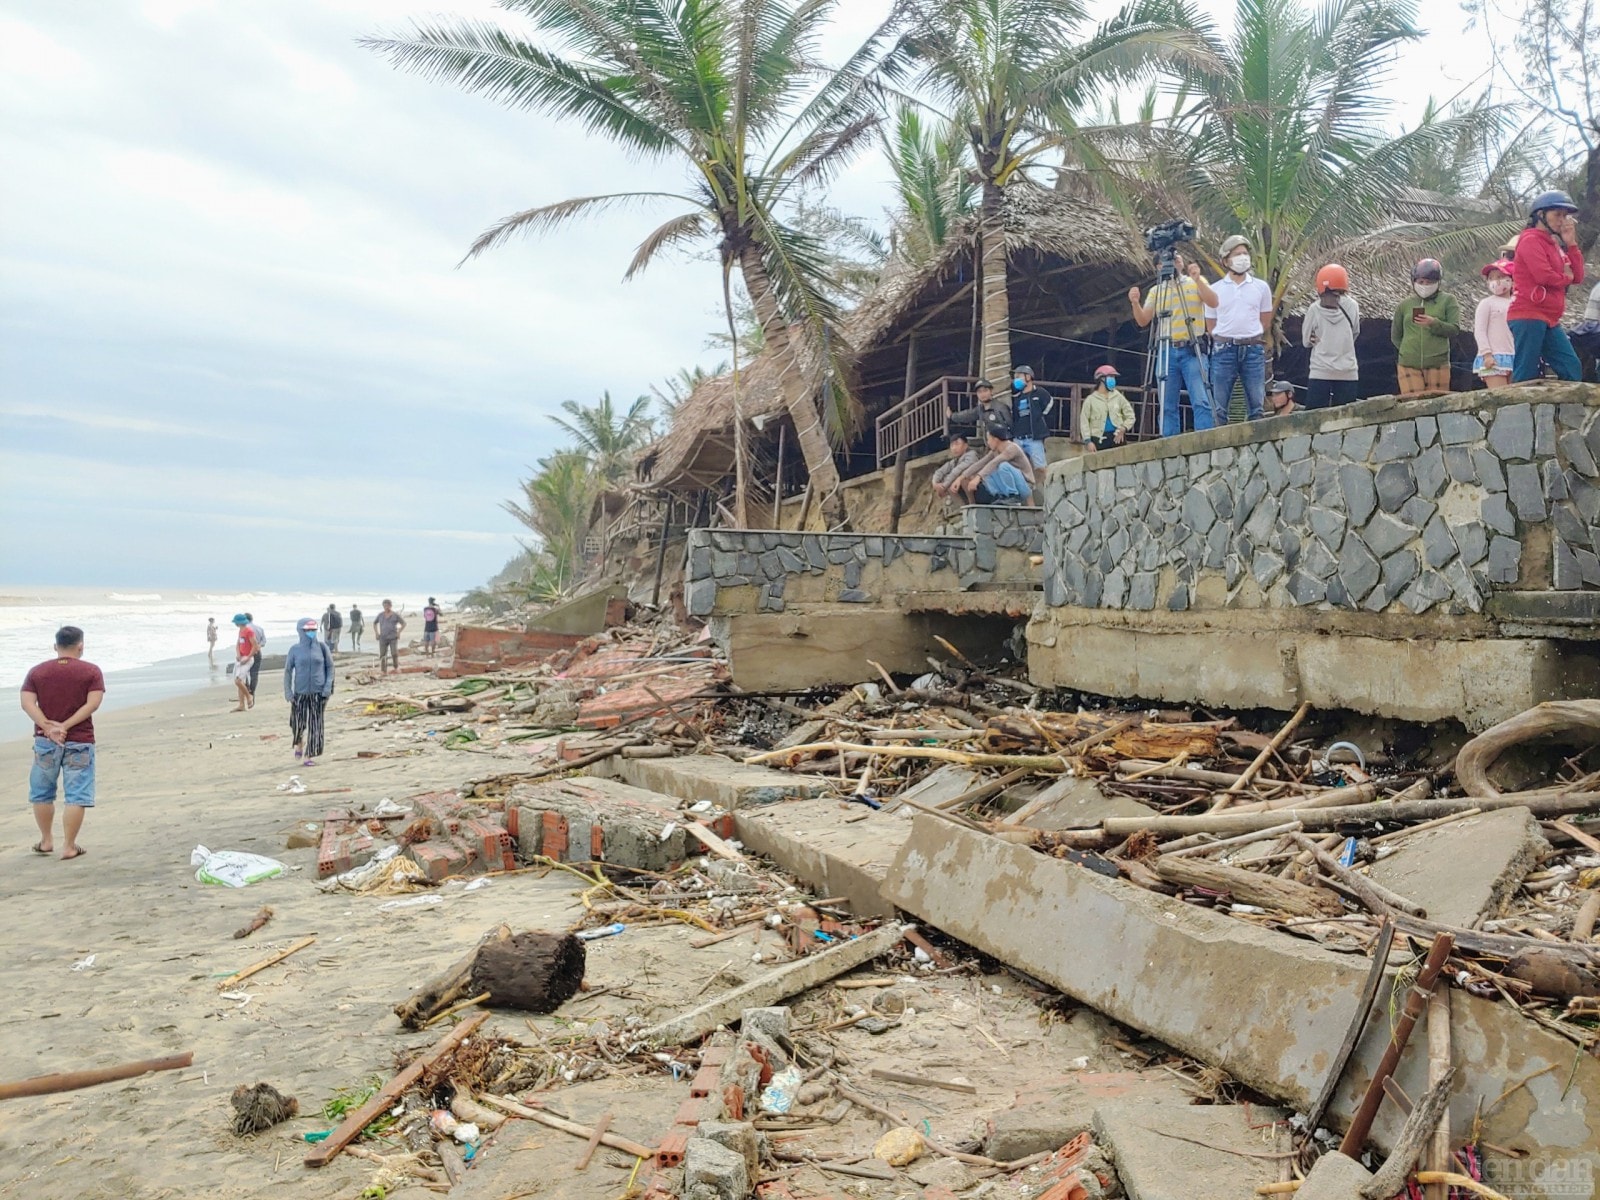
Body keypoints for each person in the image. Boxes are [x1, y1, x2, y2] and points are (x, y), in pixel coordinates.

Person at [21, 626, 104, 860]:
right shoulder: (91, 671)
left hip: (45, 741)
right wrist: (64, 726)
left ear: (55, 646)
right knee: (76, 794)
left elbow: (27, 702)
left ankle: (46, 841)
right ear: (81, 646)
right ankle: (69, 845)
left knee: (42, 792)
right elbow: (92, 704)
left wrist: (47, 727)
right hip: (79, 739)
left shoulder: (37, 672)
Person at [1128, 253, 1218, 433]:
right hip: (1166, 350)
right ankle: (1169, 443)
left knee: (1201, 398)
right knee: (1167, 404)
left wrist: (1198, 280)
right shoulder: (1157, 290)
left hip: (1192, 348)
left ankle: (1205, 439)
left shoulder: (1194, 282)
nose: (1176, 262)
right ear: (1159, 266)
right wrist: (1135, 303)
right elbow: (1143, 320)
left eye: (1178, 259)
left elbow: (1214, 302)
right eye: (1169, 260)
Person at [1509, 190, 1585, 383]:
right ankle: (1517, 411)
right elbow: (1543, 275)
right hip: (1528, 313)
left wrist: (1571, 244)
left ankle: (1566, 412)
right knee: (1526, 369)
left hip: (1549, 317)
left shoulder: (1554, 244)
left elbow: (1577, 276)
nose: (1562, 220)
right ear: (1541, 215)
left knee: (1571, 366)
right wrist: (1565, 277)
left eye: (1564, 215)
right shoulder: (1529, 240)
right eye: (1557, 215)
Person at [1205, 235, 1274, 422]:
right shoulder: (1215, 290)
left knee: (1256, 407)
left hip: (1253, 349)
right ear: (1226, 260)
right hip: (1224, 350)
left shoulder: (1261, 287)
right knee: (1219, 408)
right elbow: (1210, 325)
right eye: (1237, 254)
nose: (1243, 257)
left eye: (1245, 253)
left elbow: (1265, 321)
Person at [1390, 259, 1460, 394]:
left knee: (1437, 404)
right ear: (1414, 282)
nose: (1425, 285)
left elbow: (1454, 329)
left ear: (1438, 282)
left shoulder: (1448, 300)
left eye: (1429, 282)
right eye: (1421, 282)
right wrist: (1408, 351)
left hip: (1437, 363)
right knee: (1412, 402)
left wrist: (1433, 323)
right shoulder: (1405, 305)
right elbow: (1396, 335)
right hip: (1408, 364)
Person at [1300, 264, 1361, 408]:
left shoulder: (1314, 309)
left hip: (1320, 371)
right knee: (1346, 419)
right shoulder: (1353, 306)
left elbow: (1306, 341)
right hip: (1348, 371)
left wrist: (1317, 340)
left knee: (1315, 419)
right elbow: (1355, 332)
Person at [284, 617, 335, 765]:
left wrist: (327, 687)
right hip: (300, 693)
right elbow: (287, 671)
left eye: (313, 630)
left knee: (315, 724)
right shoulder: (295, 650)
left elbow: (330, 667)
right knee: (297, 723)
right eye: (307, 630)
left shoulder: (322, 647)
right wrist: (288, 692)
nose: (311, 633)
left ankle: (309, 756)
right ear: (300, 631)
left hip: (319, 693)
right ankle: (299, 743)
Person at [955, 426, 1036, 506]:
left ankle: (1013, 496)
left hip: (1025, 485)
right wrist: (961, 477)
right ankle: (998, 496)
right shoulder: (995, 451)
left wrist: (977, 478)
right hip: (1009, 487)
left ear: (995, 439)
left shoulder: (1012, 448)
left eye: (988, 439)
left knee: (1002, 466)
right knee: (988, 470)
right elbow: (980, 464)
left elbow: (995, 462)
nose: (988, 442)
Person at [1473, 259, 1516, 390]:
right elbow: (1479, 331)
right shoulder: (1487, 303)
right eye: (1491, 278)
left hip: (1515, 356)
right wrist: (1487, 354)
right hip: (1494, 358)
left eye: (1500, 277)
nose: (1495, 281)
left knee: (1516, 398)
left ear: (1512, 280)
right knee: (1500, 396)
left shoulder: (1517, 303)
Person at [1007, 366, 1055, 469]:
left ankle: (1043, 485)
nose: (1016, 380)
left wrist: (1041, 419)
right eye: (1015, 377)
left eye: (1018, 376)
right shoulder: (1016, 397)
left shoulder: (1040, 392)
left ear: (1028, 377)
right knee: (1015, 468)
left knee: (1040, 467)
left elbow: (1050, 405)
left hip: (1034, 438)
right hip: (1018, 438)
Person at [1080, 365, 1136, 450]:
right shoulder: (1090, 400)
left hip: (1117, 438)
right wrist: (1088, 441)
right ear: (1101, 379)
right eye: (1110, 377)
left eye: (1114, 377)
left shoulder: (1118, 396)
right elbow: (1084, 422)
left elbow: (1131, 416)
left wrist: (1123, 428)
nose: (1113, 380)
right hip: (1098, 440)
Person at [947, 379, 1011, 439]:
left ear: (991, 391)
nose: (982, 394)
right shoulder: (980, 409)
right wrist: (952, 416)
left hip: (1003, 443)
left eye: (985, 390)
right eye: (979, 392)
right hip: (990, 444)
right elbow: (967, 415)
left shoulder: (1001, 407)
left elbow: (1010, 426)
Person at [930, 433, 981, 503]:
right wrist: (935, 483)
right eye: (952, 445)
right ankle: (962, 508)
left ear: (965, 446)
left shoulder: (972, 455)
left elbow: (957, 471)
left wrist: (944, 486)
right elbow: (939, 472)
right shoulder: (954, 462)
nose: (954, 448)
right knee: (949, 483)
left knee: (964, 479)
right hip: (963, 489)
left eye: (957, 444)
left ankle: (973, 504)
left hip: (979, 488)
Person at [231, 613, 258, 711]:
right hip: (241, 657)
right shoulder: (240, 631)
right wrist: (238, 654)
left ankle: (249, 696)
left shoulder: (249, 632)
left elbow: (255, 646)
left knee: (238, 680)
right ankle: (241, 704)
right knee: (239, 681)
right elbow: (238, 644)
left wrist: (248, 657)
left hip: (248, 658)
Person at [373, 599, 406, 674]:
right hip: (383, 637)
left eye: (387, 606)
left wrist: (399, 632)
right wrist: (376, 633)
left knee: (394, 653)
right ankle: (383, 670)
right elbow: (374, 623)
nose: (386, 607)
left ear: (390, 606)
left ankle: (396, 667)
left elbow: (404, 623)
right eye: (384, 606)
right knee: (382, 655)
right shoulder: (380, 615)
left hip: (393, 637)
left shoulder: (395, 615)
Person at [244, 611, 266, 699]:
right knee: (254, 673)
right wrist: (258, 646)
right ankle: (252, 691)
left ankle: (246, 689)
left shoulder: (245, 629)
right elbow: (264, 642)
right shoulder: (259, 628)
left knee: (244, 672)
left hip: (247, 653)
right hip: (257, 652)